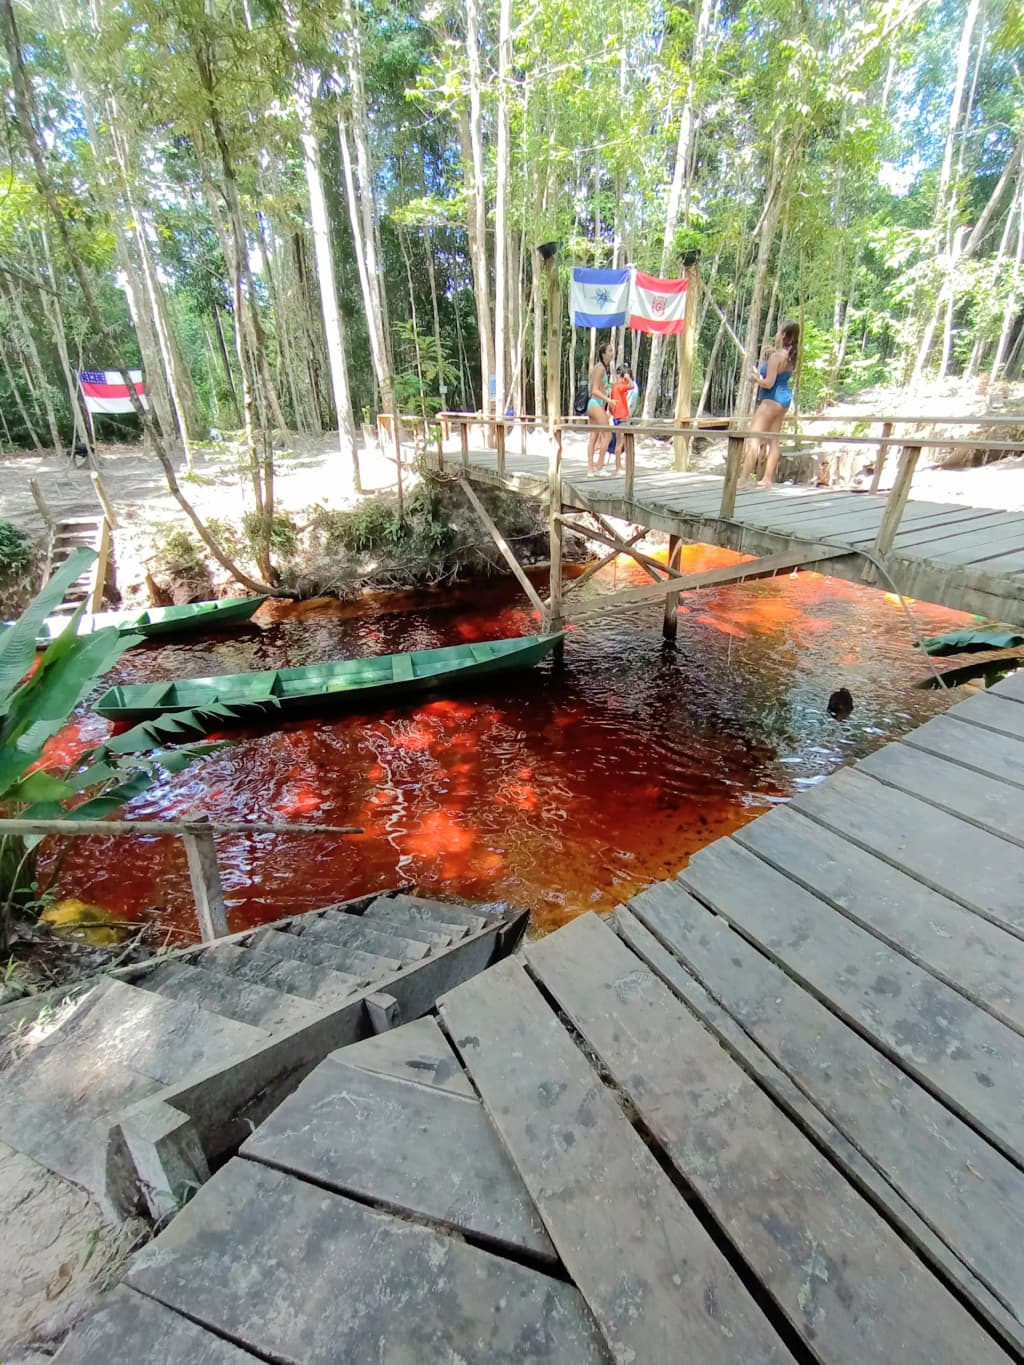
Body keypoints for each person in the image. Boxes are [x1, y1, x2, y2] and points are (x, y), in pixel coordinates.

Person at [740, 321, 800, 488]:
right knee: (774, 440)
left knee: (754, 438)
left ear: (782, 335)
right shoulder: (790, 355)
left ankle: (743, 479)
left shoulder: (776, 357)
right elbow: (781, 368)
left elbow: (768, 383)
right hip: (784, 399)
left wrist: (755, 379)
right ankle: (767, 479)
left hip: (771, 399)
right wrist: (774, 352)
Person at [586, 343, 614, 475]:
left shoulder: (603, 368)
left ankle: (591, 469)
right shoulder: (600, 368)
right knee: (607, 435)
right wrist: (609, 400)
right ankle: (599, 466)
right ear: (603, 353)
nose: (612, 353)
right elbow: (595, 390)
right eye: (609, 351)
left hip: (597, 405)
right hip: (595, 403)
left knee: (594, 437)